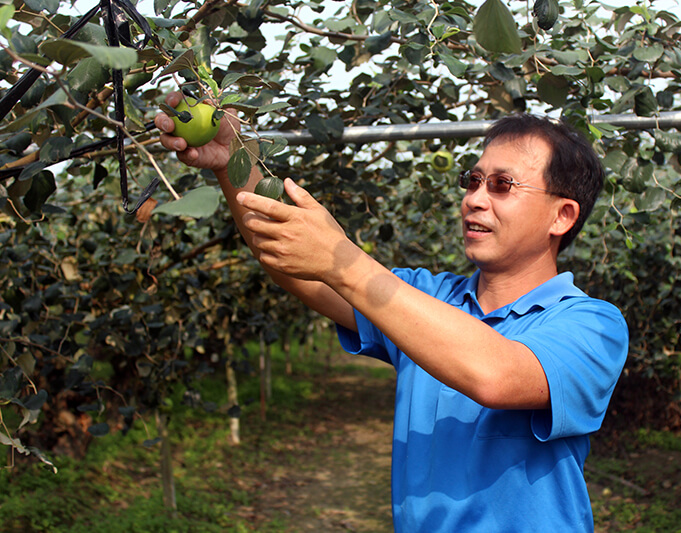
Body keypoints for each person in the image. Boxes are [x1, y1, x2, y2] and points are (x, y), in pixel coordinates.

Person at [156, 97, 629, 532]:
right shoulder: (426, 297)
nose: (475, 199)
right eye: (473, 180)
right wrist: (232, 162)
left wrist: (343, 258)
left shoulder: (591, 325)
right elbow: (300, 269)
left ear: (562, 216)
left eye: (502, 185)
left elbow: (496, 375)